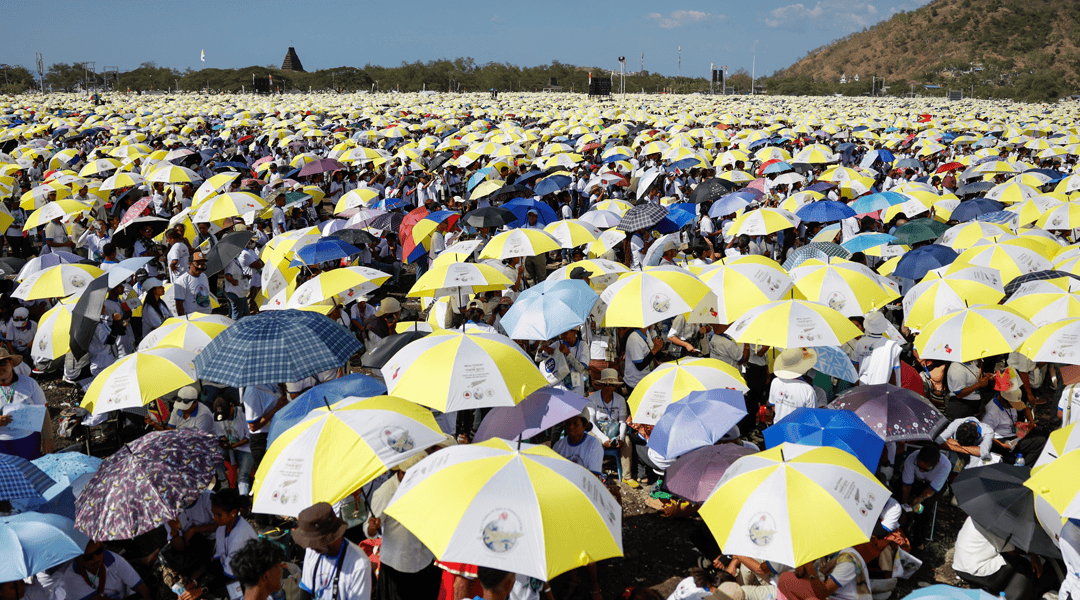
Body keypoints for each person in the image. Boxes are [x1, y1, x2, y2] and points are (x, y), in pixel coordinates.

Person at [367, 453, 440, 600]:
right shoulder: (386, 492)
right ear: (401, 472)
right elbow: (369, 529)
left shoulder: (426, 486)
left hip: (424, 561)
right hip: (397, 568)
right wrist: (373, 527)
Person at [295, 502, 373, 600]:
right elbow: (306, 591)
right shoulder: (312, 550)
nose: (311, 547)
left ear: (331, 538)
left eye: (315, 543)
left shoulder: (358, 565)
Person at [952, 516, 1038, 600]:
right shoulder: (998, 521)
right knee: (1024, 565)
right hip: (976, 570)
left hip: (959, 566)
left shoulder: (978, 513)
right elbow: (1012, 552)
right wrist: (1033, 554)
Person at [57, 540, 152, 600]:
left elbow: (141, 586)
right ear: (78, 559)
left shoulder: (112, 559)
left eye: (98, 551)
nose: (97, 558)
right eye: (89, 557)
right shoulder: (72, 578)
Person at [584, 369, 632, 481]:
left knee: (628, 441)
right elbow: (591, 422)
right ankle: (596, 473)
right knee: (597, 442)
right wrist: (604, 438)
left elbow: (622, 421)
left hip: (614, 431)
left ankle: (627, 476)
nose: (608, 387)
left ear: (615, 386)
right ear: (601, 385)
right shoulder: (592, 399)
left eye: (611, 385)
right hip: (597, 431)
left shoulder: (620, 400)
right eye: (605, 385)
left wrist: (622, 437)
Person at [777, 546, 872, 600]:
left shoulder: (847, 560)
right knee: (786, 579)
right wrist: (802, 567)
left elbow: (823, 593)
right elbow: (804, 575)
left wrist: (811, 571)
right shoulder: (827, 553)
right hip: (828, 595)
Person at [212, 489, 259, 582]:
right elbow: (219, 558)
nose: (214, 518)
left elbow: (230, 574)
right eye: (213, 514)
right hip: (230, 573)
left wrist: (204, 589)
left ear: (233, 513)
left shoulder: (241, 534)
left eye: (219, 515)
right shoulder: (221, 528)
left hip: (247, 579)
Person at [213, 397, 253, 496]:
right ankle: (223, 482)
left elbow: (249, 437)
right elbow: (221, 435)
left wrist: (235, 445)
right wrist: (223, 442)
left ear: (232, 406)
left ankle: (243, 499)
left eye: (226, 413)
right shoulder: (217, 416)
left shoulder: (243, 413)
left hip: (245, 447)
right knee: (215, 454)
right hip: (229, 447)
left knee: (243, 475)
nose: (225, 417)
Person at [767, 348, 818, 424]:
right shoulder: (808, 390)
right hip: (798, 431)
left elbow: (773, 405)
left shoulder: (775, 381)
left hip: (778, 427)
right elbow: (811, 417)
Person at [850, 312, 901, 386]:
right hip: (883, 389)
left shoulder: (860, 343)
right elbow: (895, 373)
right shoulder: (892, 345)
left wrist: (857, 389)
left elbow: (855, 368)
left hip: (863, 387)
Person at [174, 250, 212, 316]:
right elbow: (179, 304)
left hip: (207, 316)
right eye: (197, 264)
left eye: (202, 264)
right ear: (190, 264)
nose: (200, 267)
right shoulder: (181, 281)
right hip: (193, 318)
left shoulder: (204, 277)